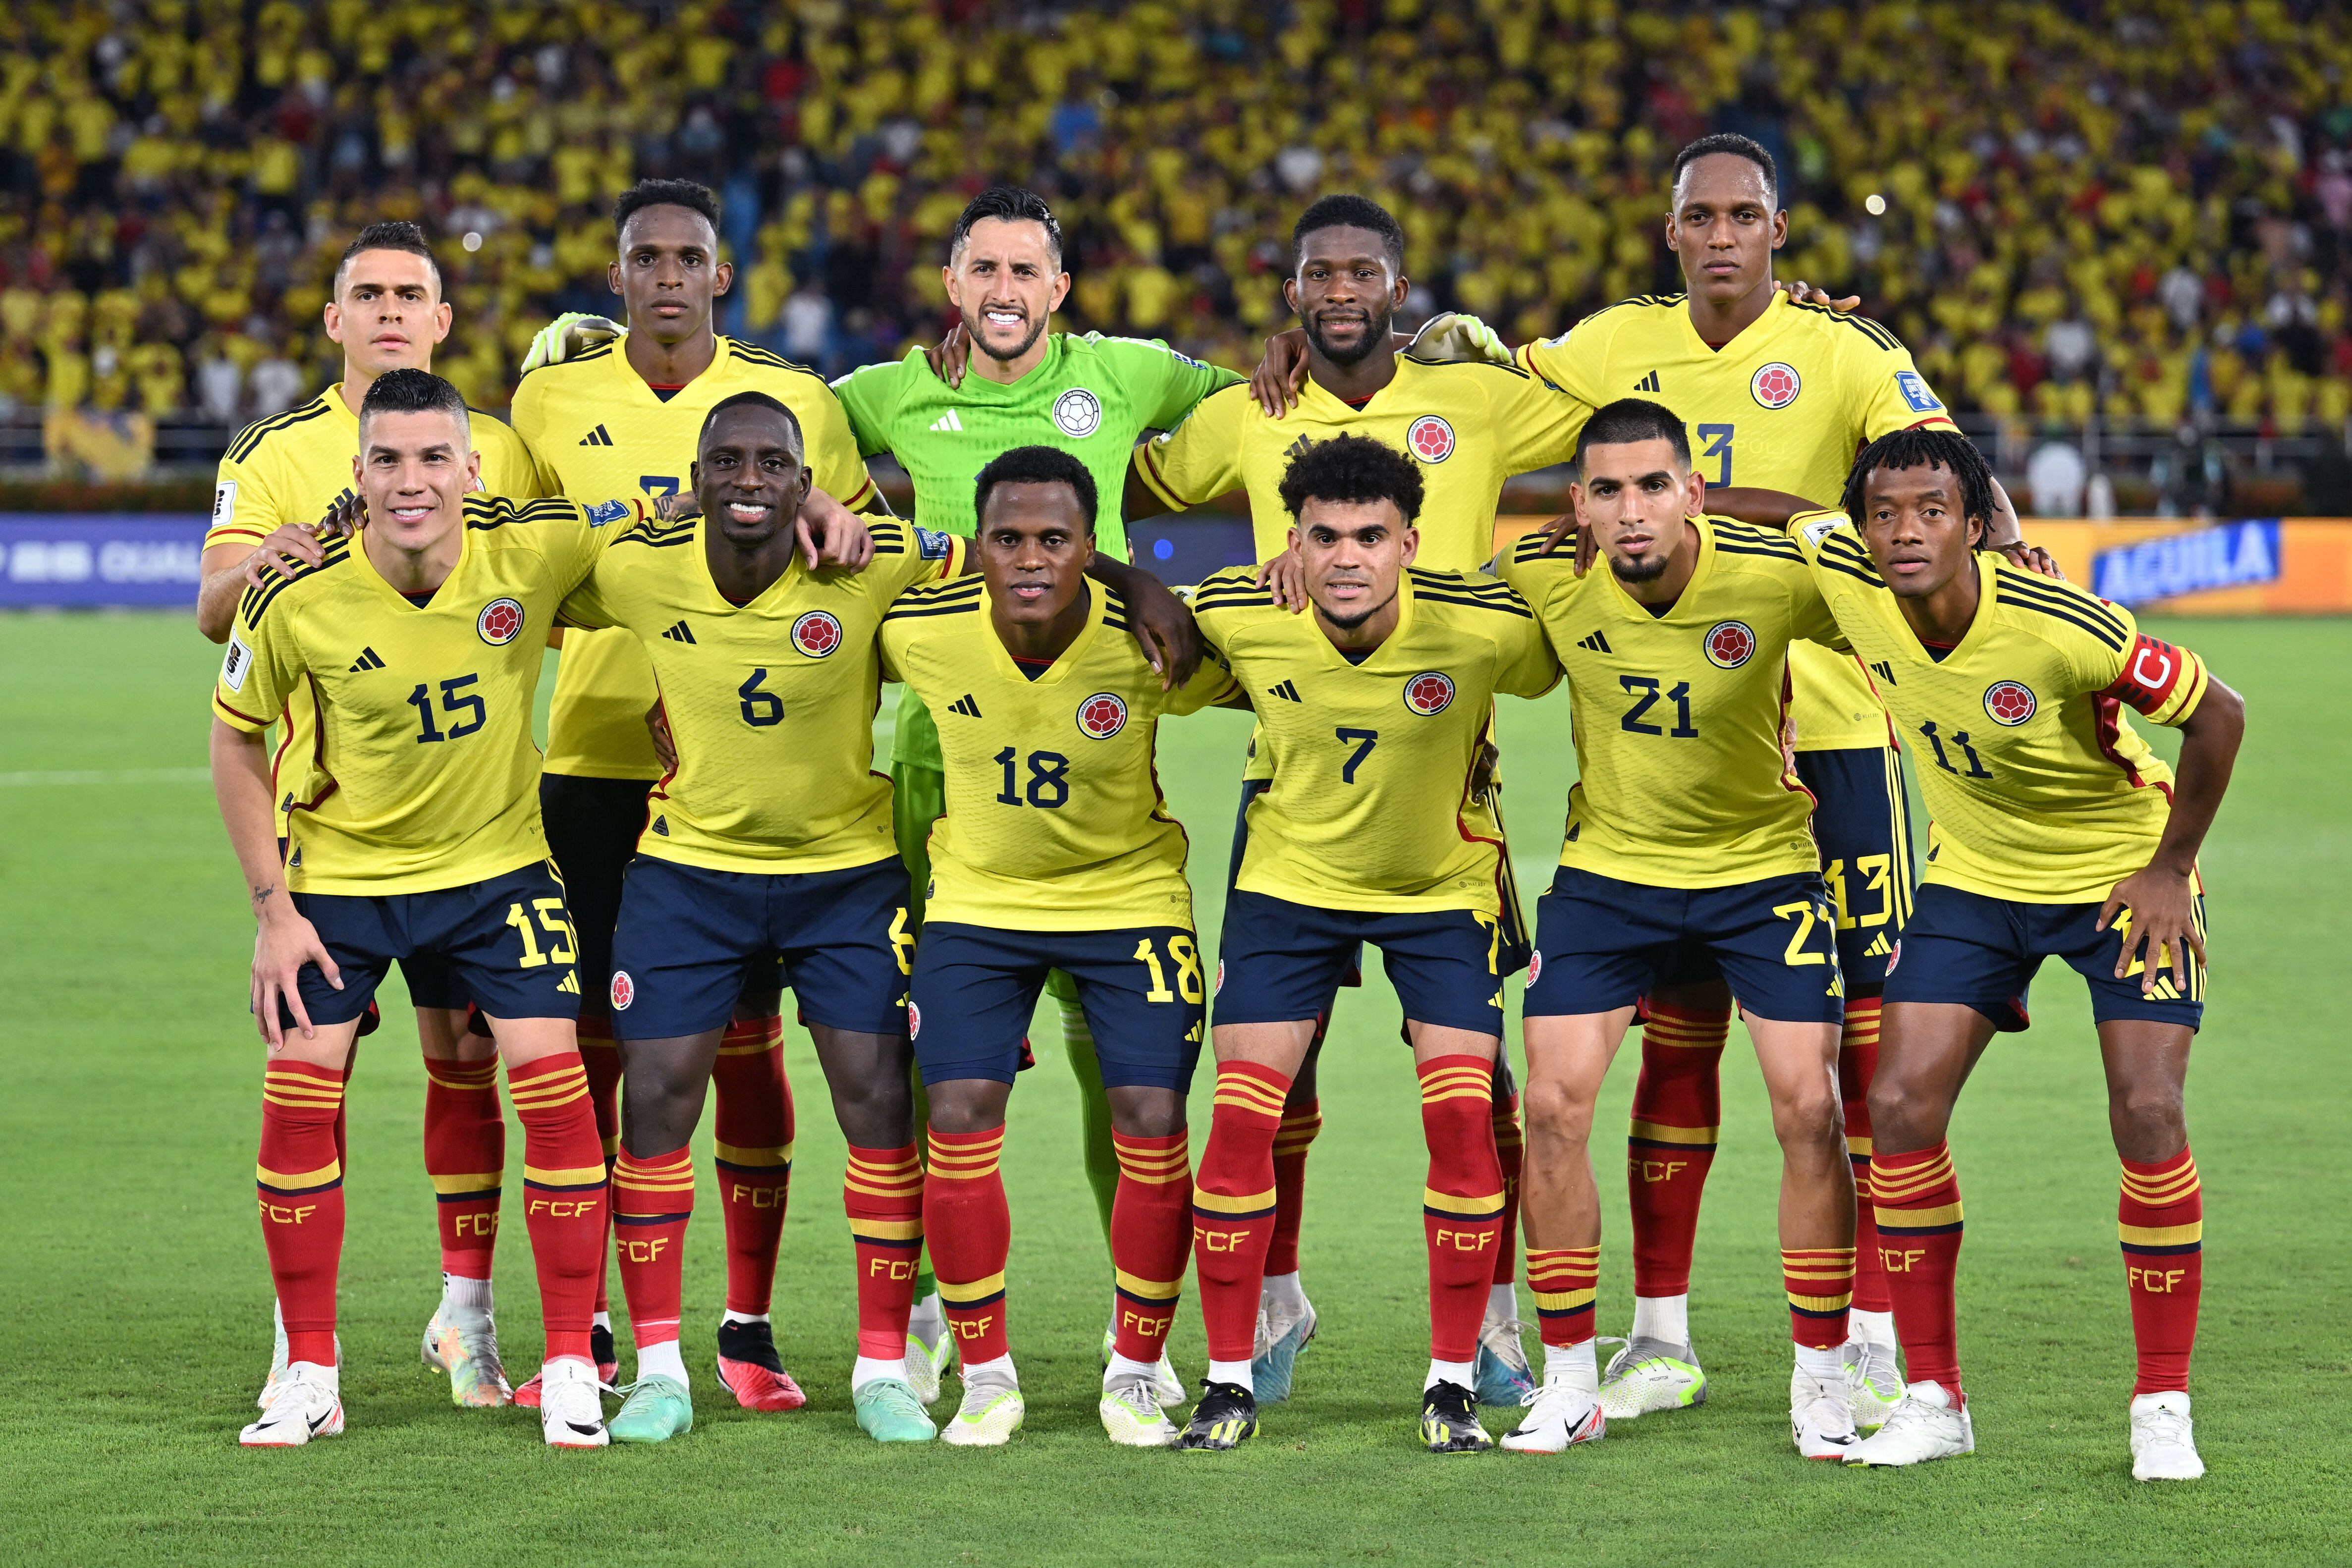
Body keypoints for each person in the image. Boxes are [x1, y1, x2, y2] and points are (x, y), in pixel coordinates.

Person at [1401, 134, 2029, 1424]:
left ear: (1780, 232)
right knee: (1675, 1048)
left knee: (1854, 1056)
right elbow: (1477, 408)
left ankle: (1857, 1332)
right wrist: (1401, 358)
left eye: (1747, 213)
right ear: (1671, 229)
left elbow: (1953, 492)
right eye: (1702, 215)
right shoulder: (1605, 346)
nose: (1725, 234)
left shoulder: (1849, 351)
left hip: (1835, 738)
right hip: (1669, 764)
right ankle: (1658, 1334)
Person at [1126, 193, 1588, 1406]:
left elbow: (1636, 404)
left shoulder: (1475, 398)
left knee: (1475, 1088)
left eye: (1362, 271)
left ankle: (1490, 1322)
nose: (1339, 291)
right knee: (1282, 1072)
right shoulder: (1243, 410)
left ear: (1398, 284)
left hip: (1451, 786)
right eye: (1317, 274)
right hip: (1290, 781)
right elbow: (1126, 463)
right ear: (1290, 295)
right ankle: (1275, 1289)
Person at [1780, 431, 2243, 1480]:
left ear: (1978, 523)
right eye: (1886, 511)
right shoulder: (1843, 568)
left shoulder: (2057, 621)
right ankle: (1935, 1397)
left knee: (2149, 1110)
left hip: (2118, 872)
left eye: (1932, 509)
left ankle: (2161, 1401)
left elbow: (2221, 714)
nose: (1905, 530)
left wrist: (2171, 867)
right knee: (1897, 1107)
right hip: (1977, 879)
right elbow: (1768, 505)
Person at [831, 186, 1229, 1399]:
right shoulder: (887, 392)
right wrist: (580, 338)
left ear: (1061, 290)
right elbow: (756, 424)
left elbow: (1270, 404)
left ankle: (1138, 1328)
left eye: (1026, 272)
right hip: (931, 759)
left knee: (1123, 1063)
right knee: (928, 1051)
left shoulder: (1129, 374)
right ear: (951, 286)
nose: (1003, 291)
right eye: (982, 271)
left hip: (1091, 746)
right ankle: (927, 1311)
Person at [509, 177, 878, 1411]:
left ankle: (749, 1321)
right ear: (616, 277)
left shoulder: (797, 403)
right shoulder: (549, 395)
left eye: (689, 257)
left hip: (751, 774)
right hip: (596, 760)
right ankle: (605, 1317)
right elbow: (514, 548)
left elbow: (858, 552)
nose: (668, 274)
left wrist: (831, 502)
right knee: (608, 1046)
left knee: (749, 1046)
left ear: (723, 275)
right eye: (645, 257)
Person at [210, 369, 626, 1449]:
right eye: (387, 459)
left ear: (470, 465)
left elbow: (666, 535)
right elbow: (234, 737)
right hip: (340, 885)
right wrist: (273, 911)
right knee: (296, 1102)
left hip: (498, 874)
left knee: (555, 1088)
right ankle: (306, 1369)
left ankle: (573, 1361)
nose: (411, 480)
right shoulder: (293, 589)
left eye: (433, 457)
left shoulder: (530, 548)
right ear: (357, 472)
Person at [550, 392, 965, 1446]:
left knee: (877, 1099)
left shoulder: (866, 560)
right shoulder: (639, 566)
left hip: (845, 876)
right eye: (726, 461)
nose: (747, 480)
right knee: (655, 1102)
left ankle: (881, 1369)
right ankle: (658, 1371)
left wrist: (1131, 578)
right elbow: (514, 566)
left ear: (802, 478)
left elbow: (1008, 553)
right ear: (693, 477)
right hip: (689, 875)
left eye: (772, 463)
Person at [1493, 399, 1860, 1460]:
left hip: (1764, 873)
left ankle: (1823, 1380)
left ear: (1693, 491)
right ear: (1578, 505)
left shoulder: (1778, 570)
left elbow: (1910, 605)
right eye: (1605, 489)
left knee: (1807, 1108)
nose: (1630, 509)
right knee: (1554, 1107)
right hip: (1610, 876)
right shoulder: (1545, 572)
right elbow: (1426, 612)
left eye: (1653, 484)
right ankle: (1566, 1378)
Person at [1180, 433, 1560, 1453]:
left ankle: (1457, 1372)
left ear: (1411, 544)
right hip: (1287, 888)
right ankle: (1226, 1379)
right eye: (1323, 537)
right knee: (1239, 1118)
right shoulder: (1236, 608)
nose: (1346, 557)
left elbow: (1596, 629)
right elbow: (1143, 621)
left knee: (1467, 1115)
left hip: (1441, 890)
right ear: (1290, 543)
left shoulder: (1480, 626)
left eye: (1370, 537)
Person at [877, 446, 1242, 1447]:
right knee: (953, 1113)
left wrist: (1148, 588)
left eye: (1054, 539)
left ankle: (1134, 1366)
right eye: (1008, 537)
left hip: (1127, 902)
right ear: (978, 546)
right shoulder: (917, 625)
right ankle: (986, 1375)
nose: (1030, 557)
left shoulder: (1149, 639)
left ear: (1091, 547)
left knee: (1150, 1117)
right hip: (978, 902)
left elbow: (1280, 675)